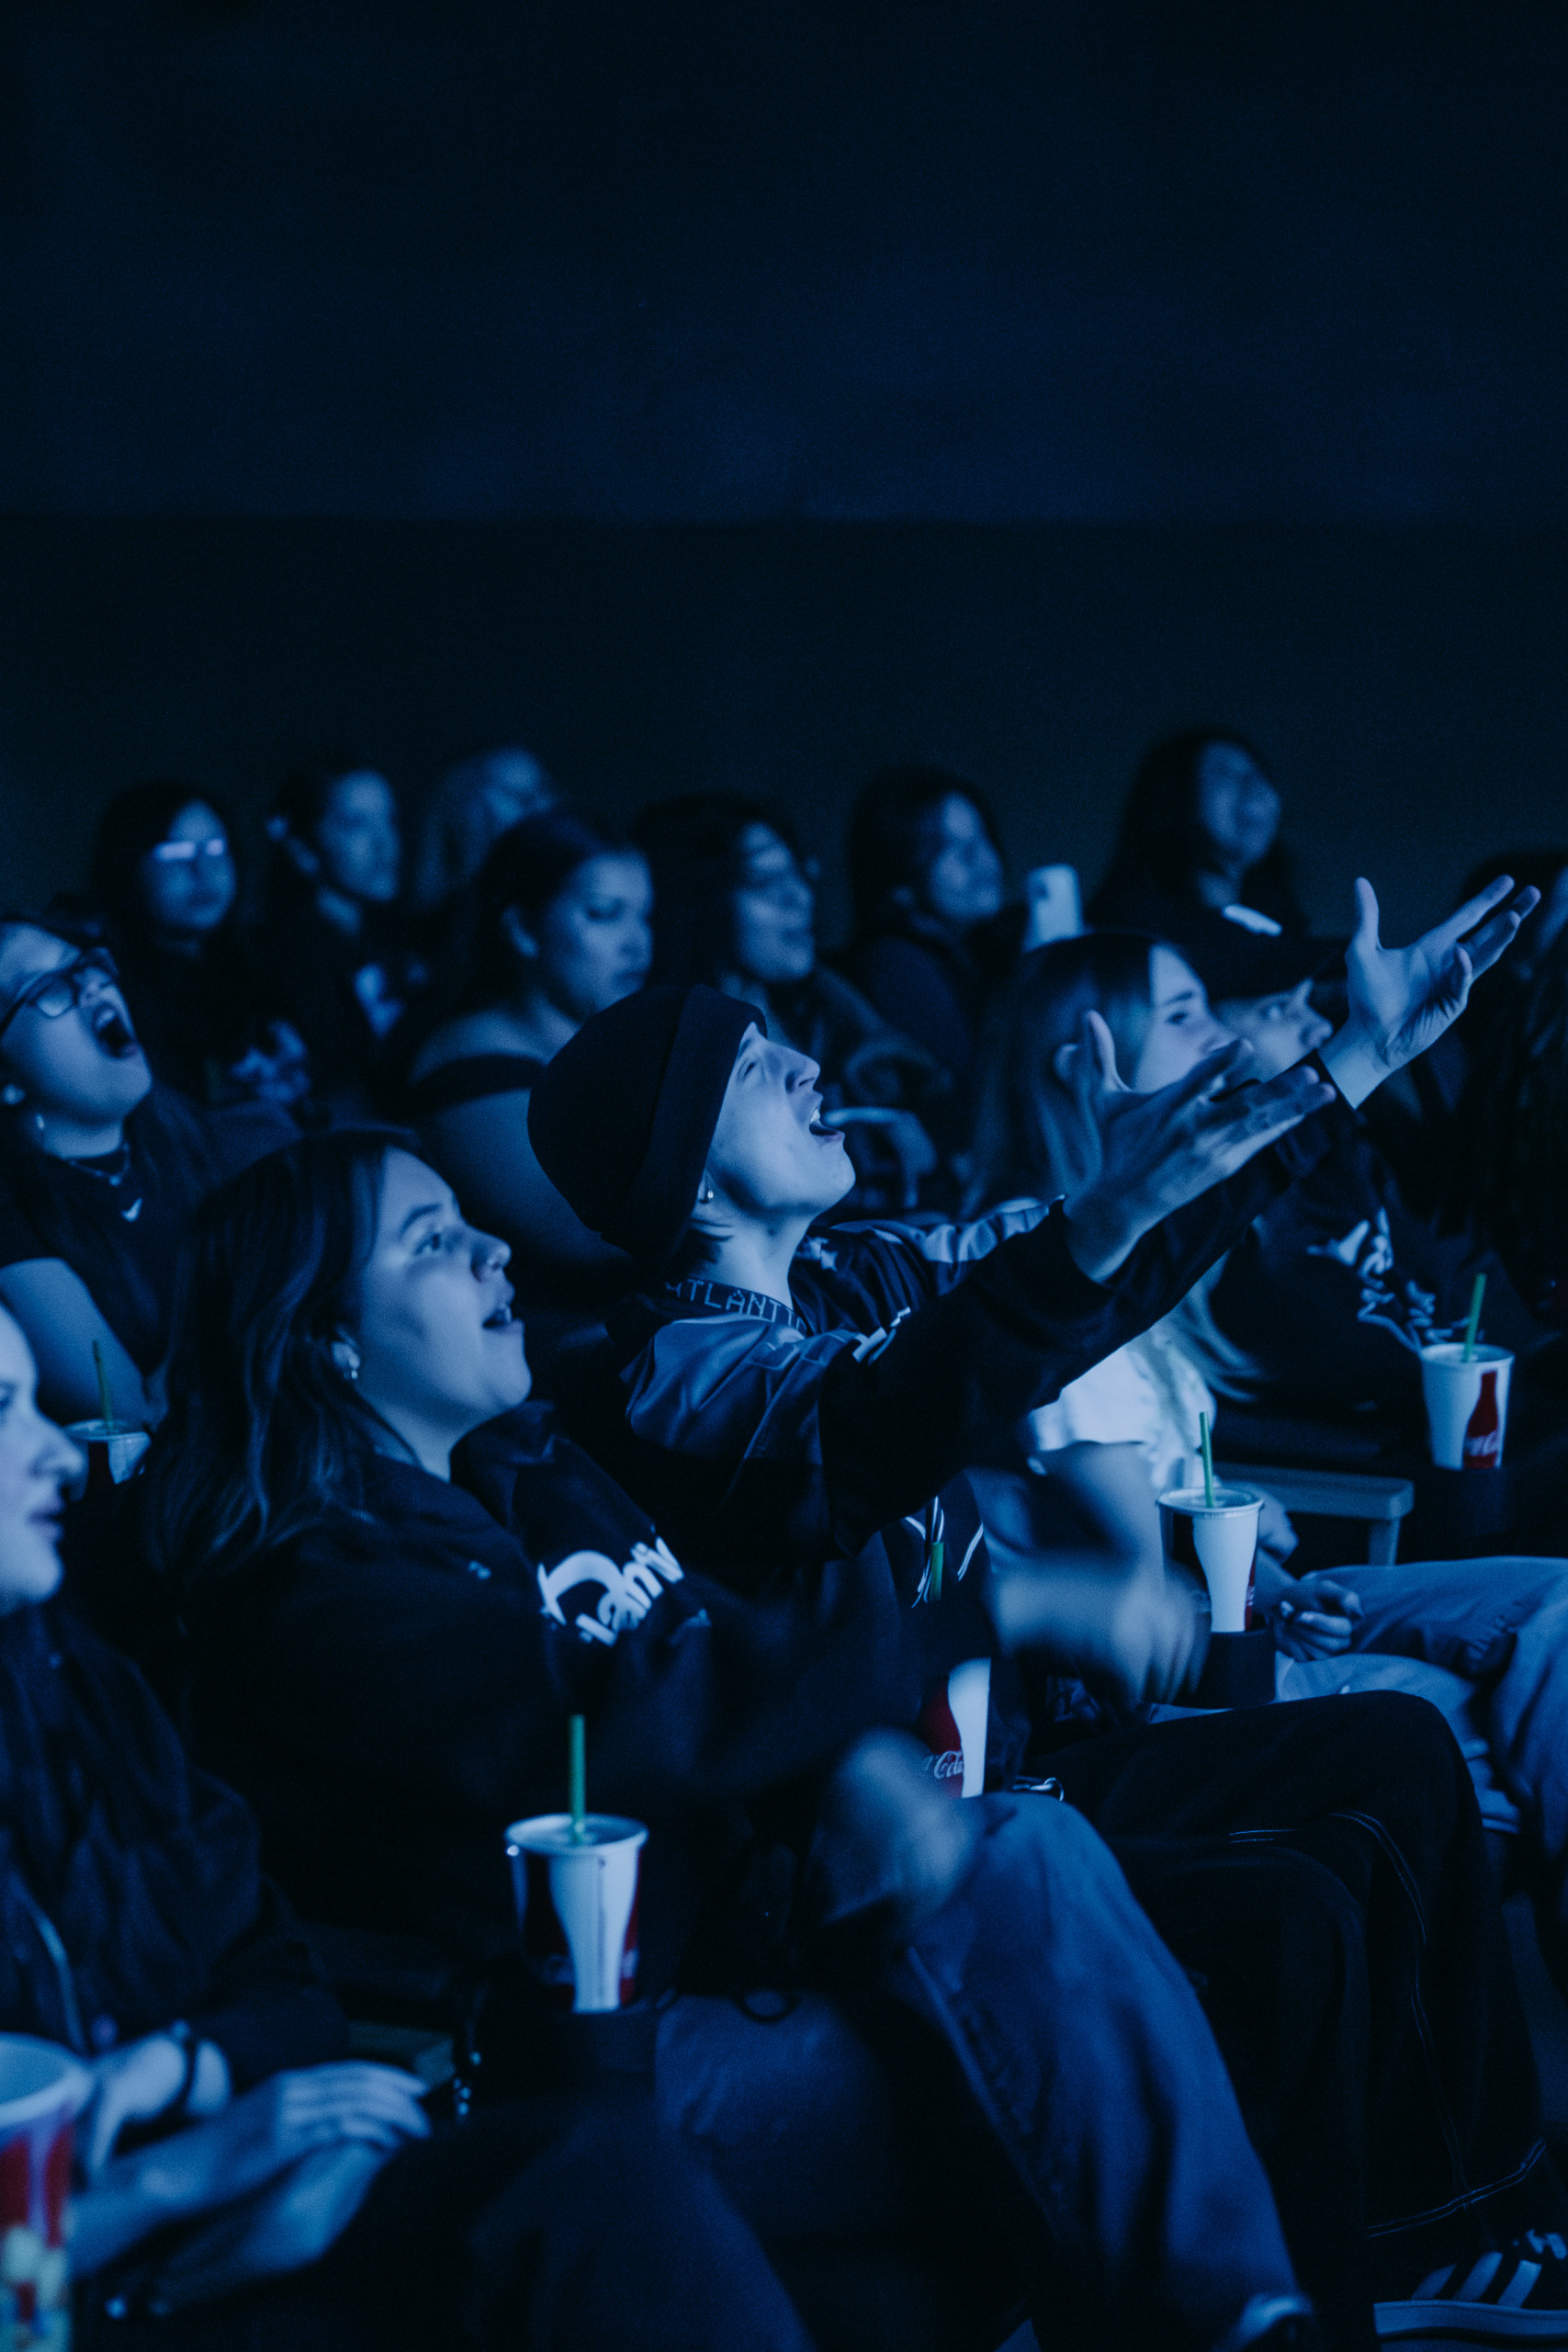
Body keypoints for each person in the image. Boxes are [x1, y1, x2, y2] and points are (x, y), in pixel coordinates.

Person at [119, 1129, 1328, 2352]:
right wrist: (990, 1607)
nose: (492, 1248)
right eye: (433, 1243)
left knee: (1049, 1876)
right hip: (584, 2071)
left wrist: (847, 1763)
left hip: (754, 1957)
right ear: (328, 1340)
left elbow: (717, 1651)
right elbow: (637, 1712)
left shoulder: (532, 1471)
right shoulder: (320, 1591)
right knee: (1091, 2052)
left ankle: (1246, 2326)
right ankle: (1239, 2327)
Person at [0, 1305, 833, 2352]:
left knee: (597, 2172)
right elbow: (610, 1726)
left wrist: (187, 2067)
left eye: (37, 1405)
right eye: (1, 1411)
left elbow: (282, 1986)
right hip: (99, 2278)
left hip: (241, 2204)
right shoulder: (322, 1583)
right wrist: (167, 2190)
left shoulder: (80, 1698)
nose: (58, 1459)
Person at [964, 928, 1568, 1987]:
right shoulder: (1033, 1248)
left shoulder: (1153, 1250)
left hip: (1258, 1596)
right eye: (1187, 1014)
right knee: (1479, 1731)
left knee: (1559, 1609)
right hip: (1178, 1654)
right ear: (1085, 1064)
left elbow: (1183, 1480)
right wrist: (1257, 1591)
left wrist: (1280, 1584)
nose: (1222, 1035)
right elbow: (1115, 1519)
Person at [0, 917, 290, 1427]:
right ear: (6, 1079)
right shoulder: (13, 1225)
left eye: (88, 965)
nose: (92, 985)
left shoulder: (233, 1140)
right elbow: (130, 1412)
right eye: (48, 987)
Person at [402, 811, 652, 1345]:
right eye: (605, 914)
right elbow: (579, 1232)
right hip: (542, 1354)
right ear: (521, 929)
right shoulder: (469, 1058)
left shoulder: (623, 1045)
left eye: (644, 917)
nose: (637, 943)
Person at [637, 791, 946, 1209]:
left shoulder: (834, 1007)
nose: (799, 896)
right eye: (764, 883)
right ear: (698, 902)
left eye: (798, 873)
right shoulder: (670, 1050)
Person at [79, 781, 310, 1111]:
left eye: (216, 848)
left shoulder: (262, 966)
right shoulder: (111, 990)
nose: (203, 869)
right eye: (175, 852)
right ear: (128, 865)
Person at [255, 755, 423, 1118]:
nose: (384, 842)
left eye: (390, 820)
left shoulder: (406, 944)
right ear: (302, 848)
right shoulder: (277, 963)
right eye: (355, 824)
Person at [840, 764, 1009, 1102]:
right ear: (898, 875)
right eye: (948, 845)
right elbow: (971, 1091)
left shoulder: (970, 956)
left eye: (981, 835)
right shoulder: (898, 965)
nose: (978, 857)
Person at [1089, 728, 1309, 959]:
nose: (1254, 788)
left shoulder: (1280, 933)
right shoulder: (1121, 938)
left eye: (1258, 774)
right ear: (1177, 796)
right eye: (1225, 773)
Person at [408, 745, 558, 921]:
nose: (539, 809)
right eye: (521, 797)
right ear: (467, 804)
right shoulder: (440, 914)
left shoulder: (556, 898)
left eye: (542, 792)